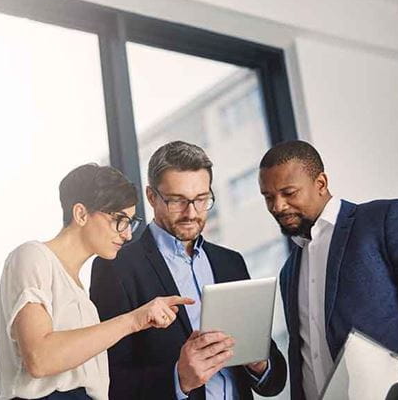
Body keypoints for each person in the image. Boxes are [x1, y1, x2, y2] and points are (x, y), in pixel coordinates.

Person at [91, 141, 287, 400]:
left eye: (201, 199)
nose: (191, 213)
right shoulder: (116, 267)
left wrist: (259, 364)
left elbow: (273, 381)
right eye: (177, 201)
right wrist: (179, 378)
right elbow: (110, 382)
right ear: (152, 197)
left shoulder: (230, 263)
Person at [0, 163, 194, 400]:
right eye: (120, 219)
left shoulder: (82, 296)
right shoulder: (33, 256)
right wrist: (133, 320)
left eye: (131, 222)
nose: (127, 234)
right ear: (81, 214)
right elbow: (40, 358)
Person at [258, 140, 398, 400]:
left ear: (321, 184)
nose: (277, 206)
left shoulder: (386, 220)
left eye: (289, 193)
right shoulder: (289, 271)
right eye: (268, 197)